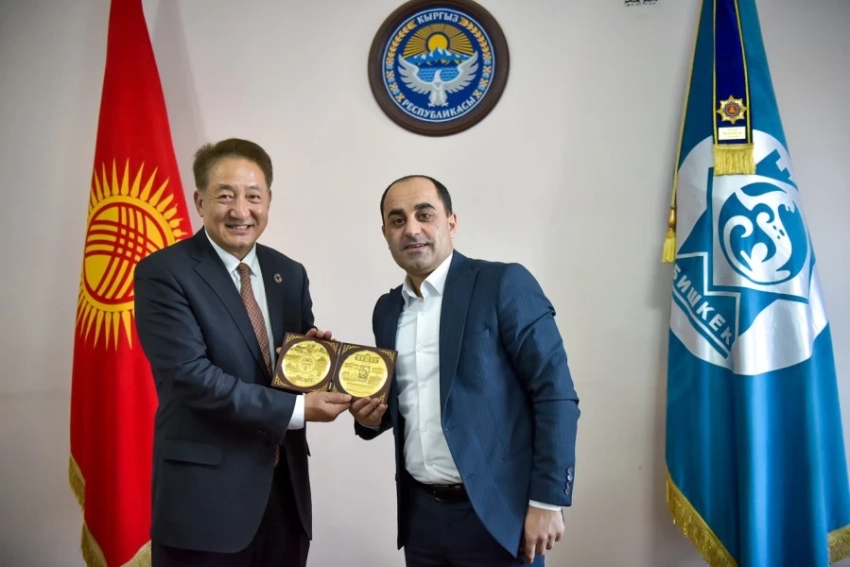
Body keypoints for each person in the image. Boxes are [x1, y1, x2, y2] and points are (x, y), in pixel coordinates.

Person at [134, 138, 351, 567]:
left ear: (268, 200)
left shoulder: (288, 273)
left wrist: (311, 361)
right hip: (205, 506)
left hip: (285, 499)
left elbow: (281, 371)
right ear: (200, 201)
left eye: (253, 196)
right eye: (225, 195)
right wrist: (298, 409)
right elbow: (191, 378)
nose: (241, 210)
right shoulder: (163, 273)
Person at [351, 175, 580, 566]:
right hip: (421, 519)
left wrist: (547, 500)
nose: (412, 229)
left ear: (451, 222)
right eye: (398, 220)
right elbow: (408, 402)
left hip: (499, 514)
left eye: (425, 214)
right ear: (386, 233)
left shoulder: (502, 283)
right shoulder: (386, 310)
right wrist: (368, 417)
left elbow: (555, 392)